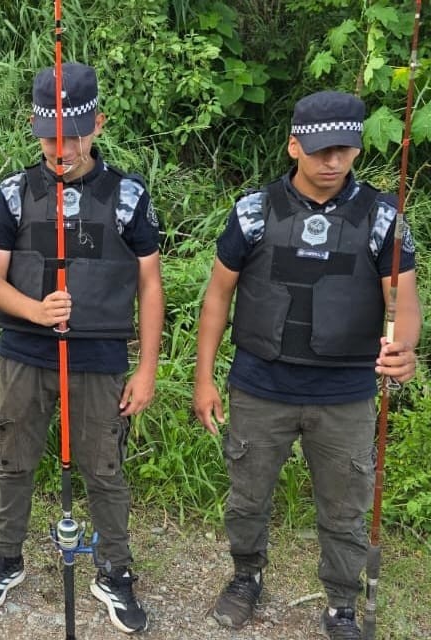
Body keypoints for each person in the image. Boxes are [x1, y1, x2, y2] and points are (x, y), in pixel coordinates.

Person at [193, 91, 421, 639]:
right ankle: (245, 576)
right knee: (247, 497)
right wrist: (204, 379)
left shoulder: (382, 219)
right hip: (260, 385)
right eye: (321, 150)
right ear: (294, 146)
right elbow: (218, 297)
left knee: (345, 507)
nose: (332, 161)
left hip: (344, 395)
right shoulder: (254, 211)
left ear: (356, 149)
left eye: (344, 149)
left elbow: (404, 300)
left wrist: (404, 347)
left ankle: (342, 602)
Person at [0, 62, 164, 635]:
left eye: (75, 135)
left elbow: (151, 285)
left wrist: (147, 369)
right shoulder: (14, 193)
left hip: (99, 358)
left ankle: (114, 571)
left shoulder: (128, 196)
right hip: (25, 353)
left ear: (97, 124)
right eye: (50, 136)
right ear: (35, 129)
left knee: (104, 466)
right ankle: (7, 557)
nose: (62, 149)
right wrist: (35, 310)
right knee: (13, 458)